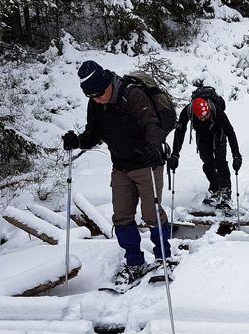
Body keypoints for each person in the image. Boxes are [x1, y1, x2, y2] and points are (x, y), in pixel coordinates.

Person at [62, 60, 172, 286]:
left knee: (151, 215)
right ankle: (134, 262)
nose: (97, 99)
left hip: (147, 163)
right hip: (121, 166)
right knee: (122, 217)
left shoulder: (132, 95)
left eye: (100, 94)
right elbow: (93, 134)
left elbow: (151, 124)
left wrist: (154, 146)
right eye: (91, 96)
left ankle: (164, 258)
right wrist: (78, 141)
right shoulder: (95, 103)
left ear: (107, 84)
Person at [169, 91, 242, 209]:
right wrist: (175, 154)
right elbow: (179, 133)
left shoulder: (216, 110)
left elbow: (230, 131)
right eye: (202, 117)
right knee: (207, 163)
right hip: (202, 135)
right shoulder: (188, 111)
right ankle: (216, 190)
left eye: (207, 115)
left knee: (220, 161)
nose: (205, 118)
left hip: (218, 133)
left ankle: (226, 193)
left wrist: (236, 155)